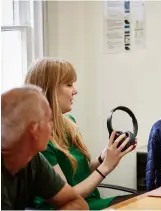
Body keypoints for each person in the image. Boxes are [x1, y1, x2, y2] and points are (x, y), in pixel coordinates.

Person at [24, 58, 137, 210]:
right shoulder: (39, 139)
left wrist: (103, 158)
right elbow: (65, 196)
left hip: (87, 203)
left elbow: (78, 174)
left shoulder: (68, 122)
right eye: (69, 84)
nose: (75, 90)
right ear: (49, 90)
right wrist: (106, 168)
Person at [1, 85, 88, 210]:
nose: (52, 126)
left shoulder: (33, 159)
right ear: (35, 130)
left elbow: (77, 202)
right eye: (48, 120)